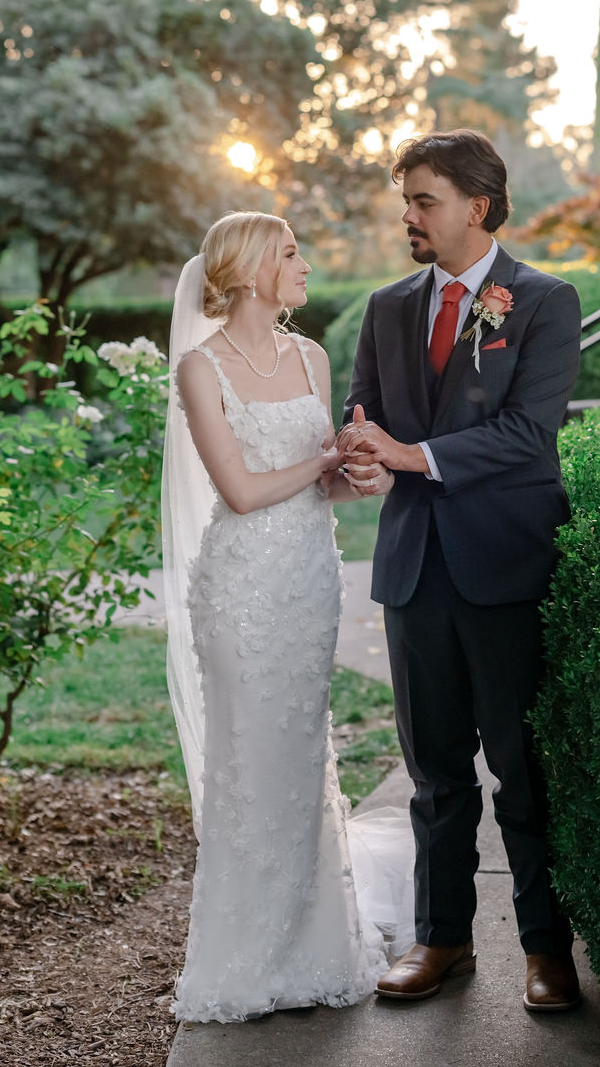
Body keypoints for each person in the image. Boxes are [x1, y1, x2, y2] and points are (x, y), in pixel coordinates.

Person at [337, 129, 583, 1012]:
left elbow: (528, 434)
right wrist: (362, 457)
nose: (408, 215)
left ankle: (547, 951)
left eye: (424, 200)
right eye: (406, 200)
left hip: (505, 568)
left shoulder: (545, 301)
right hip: (413, 570)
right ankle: (441, 940)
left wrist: (411, 455)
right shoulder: (386, 307)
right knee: (434, 775)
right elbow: (363, 413)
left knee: (523, 772)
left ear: (477, 207)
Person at [161, 211, 411, 1024]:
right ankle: (242, 959)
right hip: (241, 592)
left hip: (308, 584)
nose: (305, 265)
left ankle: (315, 948)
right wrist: (325, 458)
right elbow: (240, 491)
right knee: (250, 760)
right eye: (292, 253)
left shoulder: (310, 357)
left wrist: (362, 476)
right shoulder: (201, 368)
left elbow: (318, 485)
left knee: (302, 755)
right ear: (249, 271)